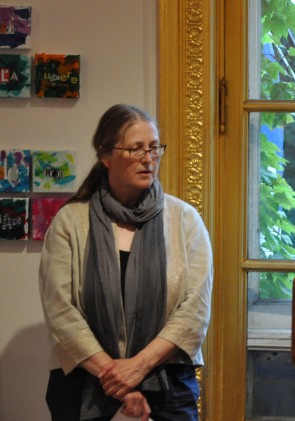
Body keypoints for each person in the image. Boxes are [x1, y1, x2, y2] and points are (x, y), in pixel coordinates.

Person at [39, 104, 213, 421]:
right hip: (83, 385)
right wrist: (119, 381)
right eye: (136, 149)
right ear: (106, 156)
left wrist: (138, 367)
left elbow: (195, 312)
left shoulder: (185, 221)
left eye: (154, 148)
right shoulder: (70, 222)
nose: (149, 159)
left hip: (168, 387)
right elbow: (60, 311)